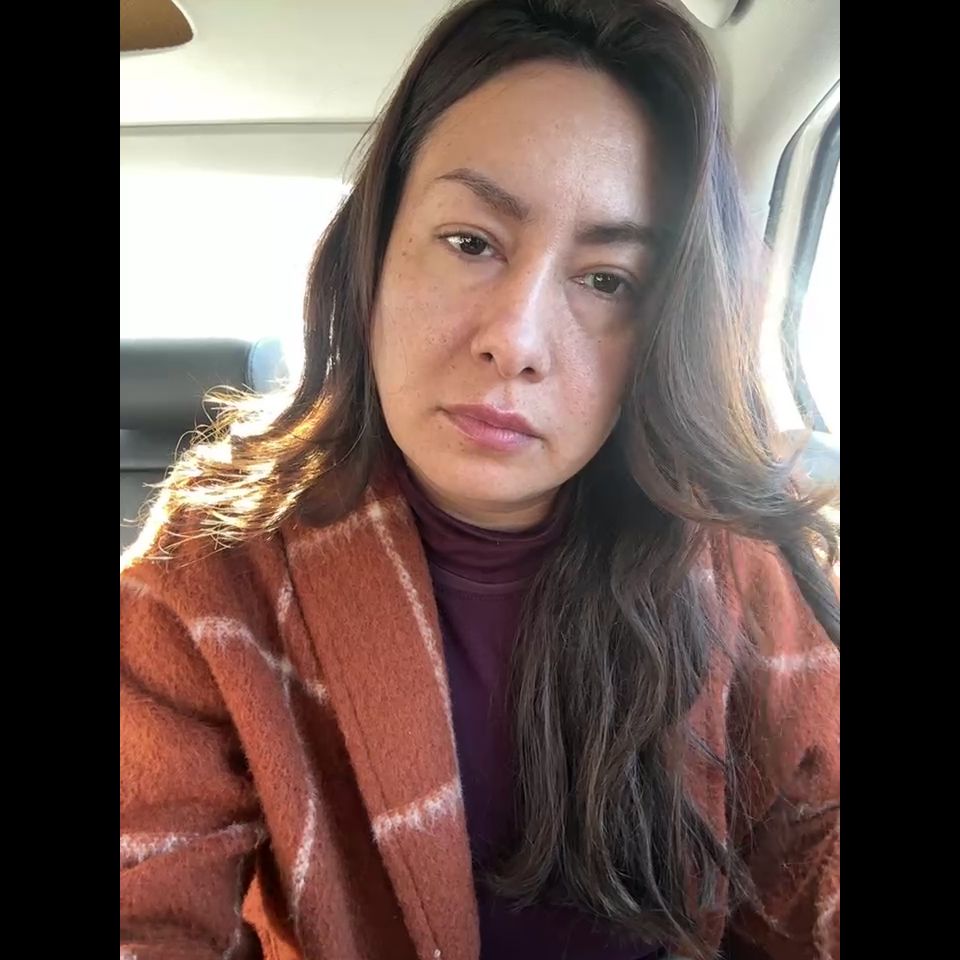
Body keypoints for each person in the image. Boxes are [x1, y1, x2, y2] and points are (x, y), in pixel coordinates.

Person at [119, 2, 840, 958]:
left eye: (607, 280)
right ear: (374, 251)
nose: (517, 339)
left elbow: (817, 847)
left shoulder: (729, 556)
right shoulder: (213, 568)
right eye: (471, 241)